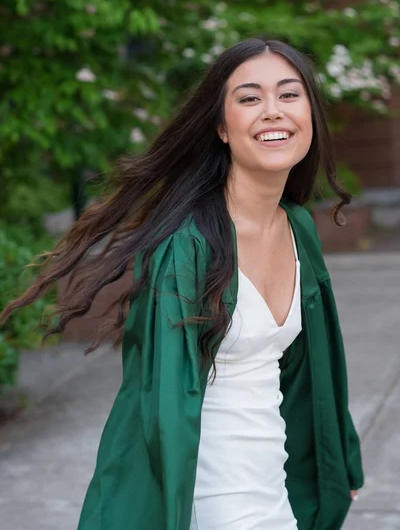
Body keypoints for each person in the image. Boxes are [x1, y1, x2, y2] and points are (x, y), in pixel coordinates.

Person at [1, 38, 364, 529]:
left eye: (289, 95)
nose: (273, 112)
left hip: (272, 495)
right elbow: (154, 401)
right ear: (221, 127)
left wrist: (341, 456)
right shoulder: (189, 246)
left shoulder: (296, 227)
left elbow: (316, 365)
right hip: (207, 502)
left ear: (311, 115)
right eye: (250, 98)